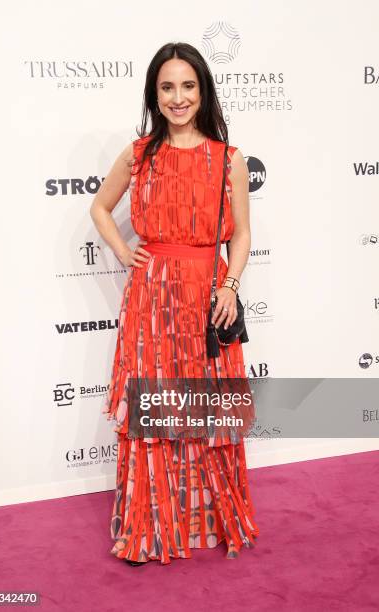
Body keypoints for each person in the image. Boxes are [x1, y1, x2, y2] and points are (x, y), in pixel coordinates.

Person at [90, 41, 259, 566]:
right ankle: (150, 526)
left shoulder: (229, 159)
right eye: (167, 87)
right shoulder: (140, 155)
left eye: (188, 86)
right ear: (154, 94)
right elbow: (99, 206)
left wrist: (229, 285)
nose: (178, 97)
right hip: (151, 299)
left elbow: (243, 235)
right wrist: (124, 252)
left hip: (206, 299)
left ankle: (210, 522)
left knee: (207, 410)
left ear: (203, 91)